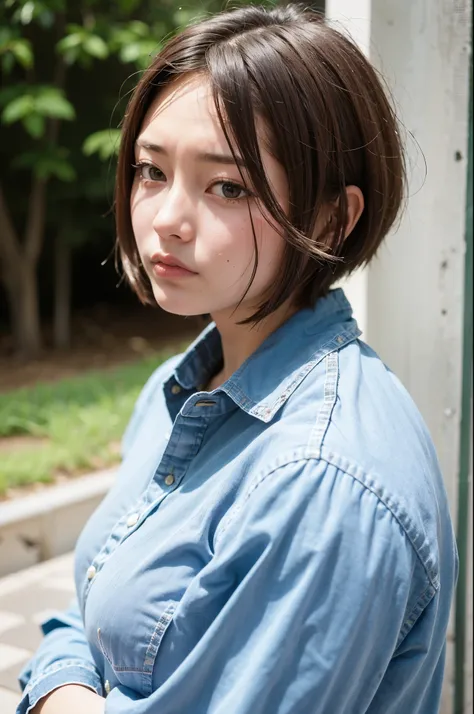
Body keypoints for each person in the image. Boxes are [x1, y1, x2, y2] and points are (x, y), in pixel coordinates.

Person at [17, 4, 458, 714]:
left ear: (330, 219)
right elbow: (93, 608)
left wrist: (56, 690)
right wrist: (67, 681)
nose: (165, 218)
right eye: (151, 170)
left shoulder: (323, 483)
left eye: (228, 186)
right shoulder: (182, 386)